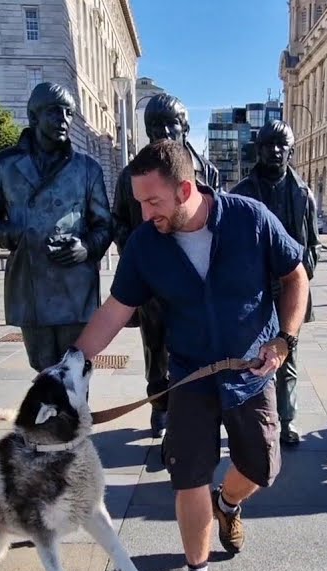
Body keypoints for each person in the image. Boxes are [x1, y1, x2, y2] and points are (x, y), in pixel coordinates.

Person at [74, 140, 309, 571]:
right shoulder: (145, 244)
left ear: (185, 190)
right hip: (189, 377)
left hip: (250, 373)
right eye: (139, 202)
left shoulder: (250, 219)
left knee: (262, 467)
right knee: (188, 477)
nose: (145, 214)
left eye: (153, 201)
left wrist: (285, 339)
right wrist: (72, 363)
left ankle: (229, 503)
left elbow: (295, 276)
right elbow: (115, 310)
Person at [0, 82, 112, 371]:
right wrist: (17, 235)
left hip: (75, 286)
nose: (63, 120)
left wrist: (86, 248)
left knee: (74, 370)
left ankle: (72, 405)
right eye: (54, 112)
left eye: (69, 113)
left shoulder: (87, 169)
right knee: (42, 367)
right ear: (34, 116)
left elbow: (104, 225)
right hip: (30, 284)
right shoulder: (5, 165)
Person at [112, 93, 222, 438]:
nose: (162, 132)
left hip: (194, 280)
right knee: (155, 348)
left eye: (169, 125)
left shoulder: (207, 171)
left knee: (197, 347)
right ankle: (159, 405)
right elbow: (117, 220)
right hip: (152, 283)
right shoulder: (130, 176)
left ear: (184, 127)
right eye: (154, 126)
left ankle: (195, 408)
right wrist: (136, 253)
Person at [229, 119, 321, 445]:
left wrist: (301, 273)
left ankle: (287, 419)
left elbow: (313, 244)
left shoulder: (303, 194)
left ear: (291, 151)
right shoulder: (241, 194)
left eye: (282, 145)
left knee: (288, 356)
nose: (276, 151)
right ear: (259, 150)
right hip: (254, 291)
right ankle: (252, 420)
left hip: (289, 290)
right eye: (269, 144)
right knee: (251, 356)